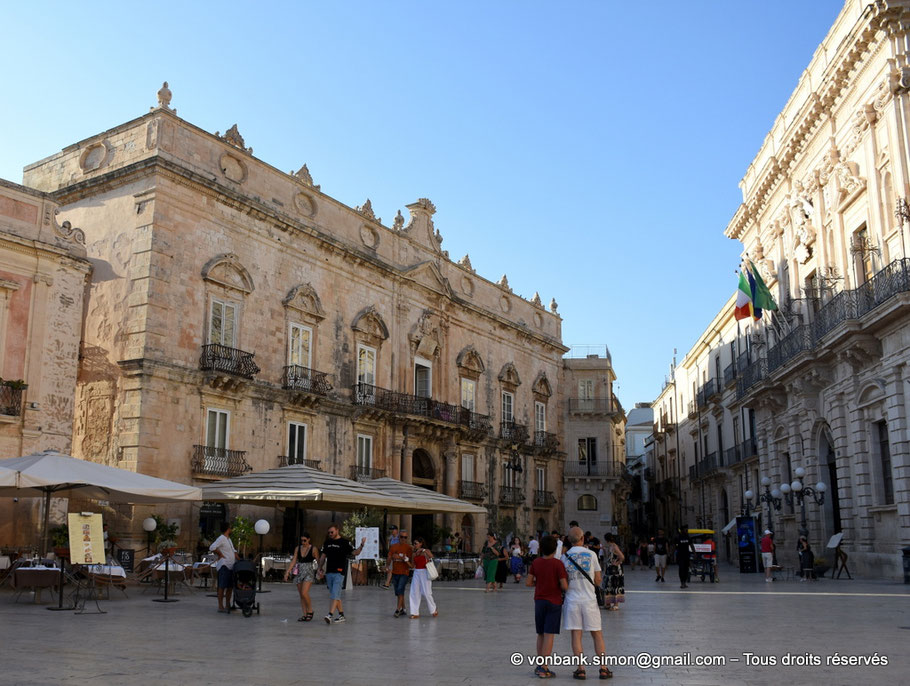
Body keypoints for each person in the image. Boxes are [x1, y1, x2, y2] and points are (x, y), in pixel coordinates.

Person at [562, 526, 611, 680]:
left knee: (576, 634)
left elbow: (563, 582)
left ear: (569, 540)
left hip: (572, 600)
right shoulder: (591, 555)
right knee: (597, 634)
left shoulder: (564, 557)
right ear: (583, 538)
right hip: (589, 600)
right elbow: (598, 580)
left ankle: (581, 669)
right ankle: (603, 668)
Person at [526, 535, 568, 679]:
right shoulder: (558, 564)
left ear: (541, 548)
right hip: (554, 602)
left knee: (540, 633)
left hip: (539, 601)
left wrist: (539, 582)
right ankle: (545, 668)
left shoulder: (536, 563)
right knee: (549, 634)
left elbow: (528, 582)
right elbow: (564, 585)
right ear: (555, 548)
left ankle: (539, 665)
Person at [317, 524, 366, 623]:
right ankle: (341, 615)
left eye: (332, 532)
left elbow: (355, 552)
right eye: (329, 532)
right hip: (329, 572)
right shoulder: (327, 542)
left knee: (335, 594)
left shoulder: (345, 542)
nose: (330, 534)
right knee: (335, 594)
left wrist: (361, 545)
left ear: (337, 531)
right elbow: (323, 556)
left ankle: (330, 615)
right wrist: (319, 567)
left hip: (339, 572)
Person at [284, 532, 316, 621]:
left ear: (309, 539)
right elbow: (294, 560)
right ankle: (305, 614)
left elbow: (318, 559)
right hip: (300, 572)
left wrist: (320, 570)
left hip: (309, 572)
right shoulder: (298, 549)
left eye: (305, 540)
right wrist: (287, 572)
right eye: (301, 540)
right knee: (301, 595)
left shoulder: (313, 549)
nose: (303, 542)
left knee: (304, 592)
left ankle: (310, 610)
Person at [209, 521, 237, 614]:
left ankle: (227, 604)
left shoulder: (229, 539)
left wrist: (242, 560)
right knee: (222, 586)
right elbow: (212, 547)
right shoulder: (221, 538)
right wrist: (220, 554)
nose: (231, 529)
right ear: (228, 529)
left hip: (231, 566)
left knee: (230, 587)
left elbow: (234, 551)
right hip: (224, 565)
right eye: (231, 528)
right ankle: (220, 606)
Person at [409, 536, 438, 618]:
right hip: (416, 572)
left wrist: (424, 550)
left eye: (416, 543)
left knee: (426, 592)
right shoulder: (414, 553)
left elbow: (432, 557)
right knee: (414, 592)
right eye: (413, 543)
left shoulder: (426, 551)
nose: (414, 545)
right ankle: (414, 612)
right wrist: (406, 560)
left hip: (425, 572)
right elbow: (412, 565)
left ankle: (433, 609)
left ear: (421, 544)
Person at [387, 528, 413, 617]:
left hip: (404, 572)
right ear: (399, 537)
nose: (403, 539)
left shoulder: (409, 548)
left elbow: (411, 563)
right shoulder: (393, 546)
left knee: (400, 590)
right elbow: (389, 557)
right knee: (398, 592)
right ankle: (404, 609)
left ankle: (398, 610)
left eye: (405, 537)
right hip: (395, 571)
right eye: (401, 537)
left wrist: (403, 559)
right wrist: (387, 566)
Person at [602, 533, 625, 610]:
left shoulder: (614, 547)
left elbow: (622, 556)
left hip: (615, 571)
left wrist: (617, 563)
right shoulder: (610, 547)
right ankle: (608, 603)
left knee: (616, 586)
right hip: (609, 570)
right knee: (608, 586)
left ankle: (616, 605)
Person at [381, 524, 401, 589]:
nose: (392, 531)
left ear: (396, 530)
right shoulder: (391, 538)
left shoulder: (400, 538)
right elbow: (390, 547)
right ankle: (387, 584)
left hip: (398, 556)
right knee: (390, 569)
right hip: (392, 555)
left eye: (393, 530)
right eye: (391, 530)